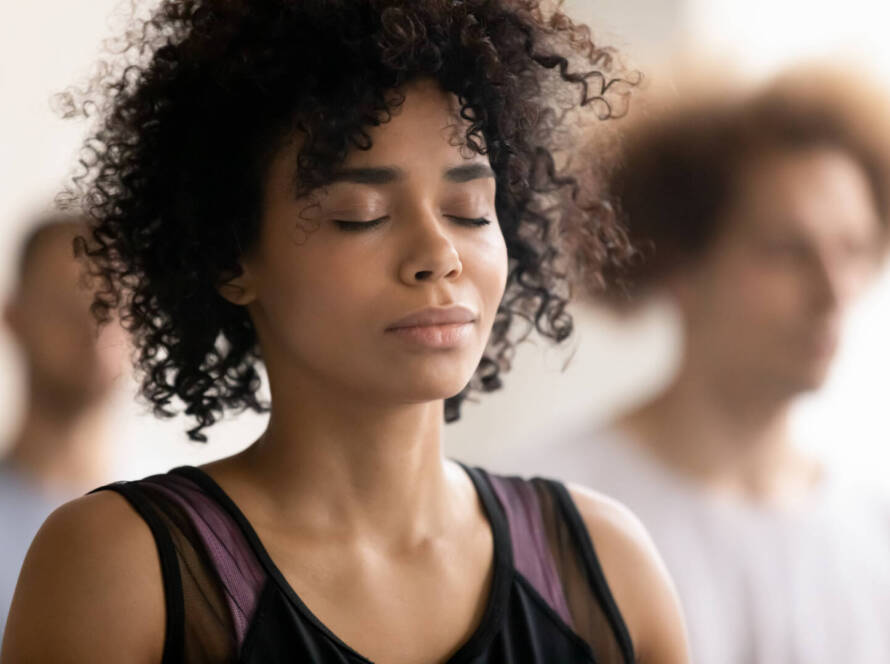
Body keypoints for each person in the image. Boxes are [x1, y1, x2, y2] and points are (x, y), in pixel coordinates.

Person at [2, 2, 688, 662]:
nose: (439, 255)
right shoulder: (122, 573)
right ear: (231, 258)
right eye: (361, 214)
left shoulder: (608, 574)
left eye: (471, 211)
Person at [514, 72, 890, 663]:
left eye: (854, 249)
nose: (834, 290)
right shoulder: (548, 514)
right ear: (683, 267)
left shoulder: (875, 528)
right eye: (789, 250)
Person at [0, 215, 125, 634]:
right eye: (63, 303)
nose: (90, 327)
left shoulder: (179, 522)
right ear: (14, 319)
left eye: (109, 306)